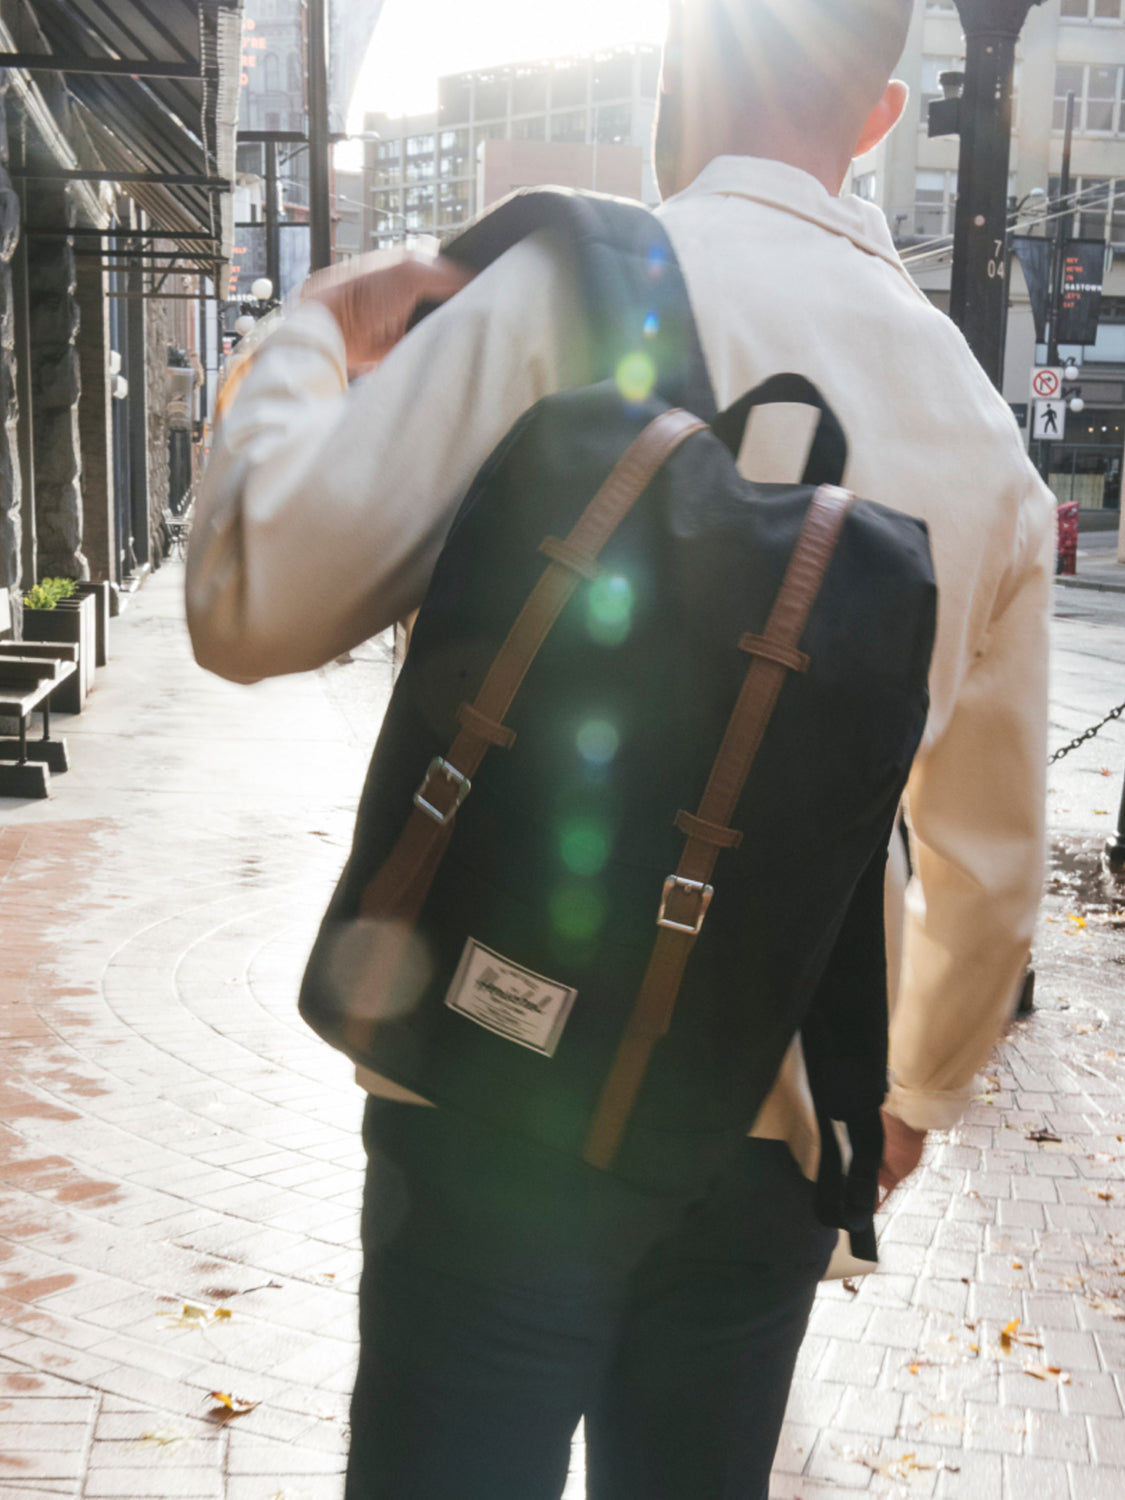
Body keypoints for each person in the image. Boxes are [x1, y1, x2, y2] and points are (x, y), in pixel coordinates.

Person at [186, 1, 1053, 1494]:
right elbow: (984, 863)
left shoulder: (556, 296)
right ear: (877, 116)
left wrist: (313, 329)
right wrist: (914, 1096)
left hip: (490, 1092)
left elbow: (254, 598)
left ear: (674, 70)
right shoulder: (978, 435)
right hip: (759, 1132)